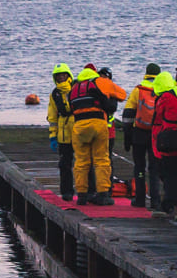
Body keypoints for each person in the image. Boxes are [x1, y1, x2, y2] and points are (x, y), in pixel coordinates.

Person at [68, 65, 129, 204]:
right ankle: (103, 194)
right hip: (97, 124)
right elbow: (122, 94)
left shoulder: (74, 89)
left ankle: (82, 195)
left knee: (81, 161)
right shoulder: (100, 82)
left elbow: (70, 107)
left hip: (79, 126)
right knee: (101, 160)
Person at [149, 66, 177, 217]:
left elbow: (159, 115)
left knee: (170, 175)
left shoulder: (167, 96)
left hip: (170, 139)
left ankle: (169, 204)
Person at [124, 64, 161, 208]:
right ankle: (155, 201)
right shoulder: (162, 90)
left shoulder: (138, 90)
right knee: (154, 168)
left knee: (139, 167)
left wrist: (128, 138)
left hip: (139, 133)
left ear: (146, 74)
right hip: (156, 134)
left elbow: (128, 115)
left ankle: (139, 199)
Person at [46, 64, 76, 201]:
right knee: (64, 164)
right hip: (63, 134)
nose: (61, 77)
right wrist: (53, 136)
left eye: (64, 75)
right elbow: (52, 116)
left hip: (78, 131)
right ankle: (67, 191)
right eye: (58, 76)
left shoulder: (76, 88)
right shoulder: (55, 94)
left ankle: (87, 191)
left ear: (68, 75)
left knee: (84, 163)